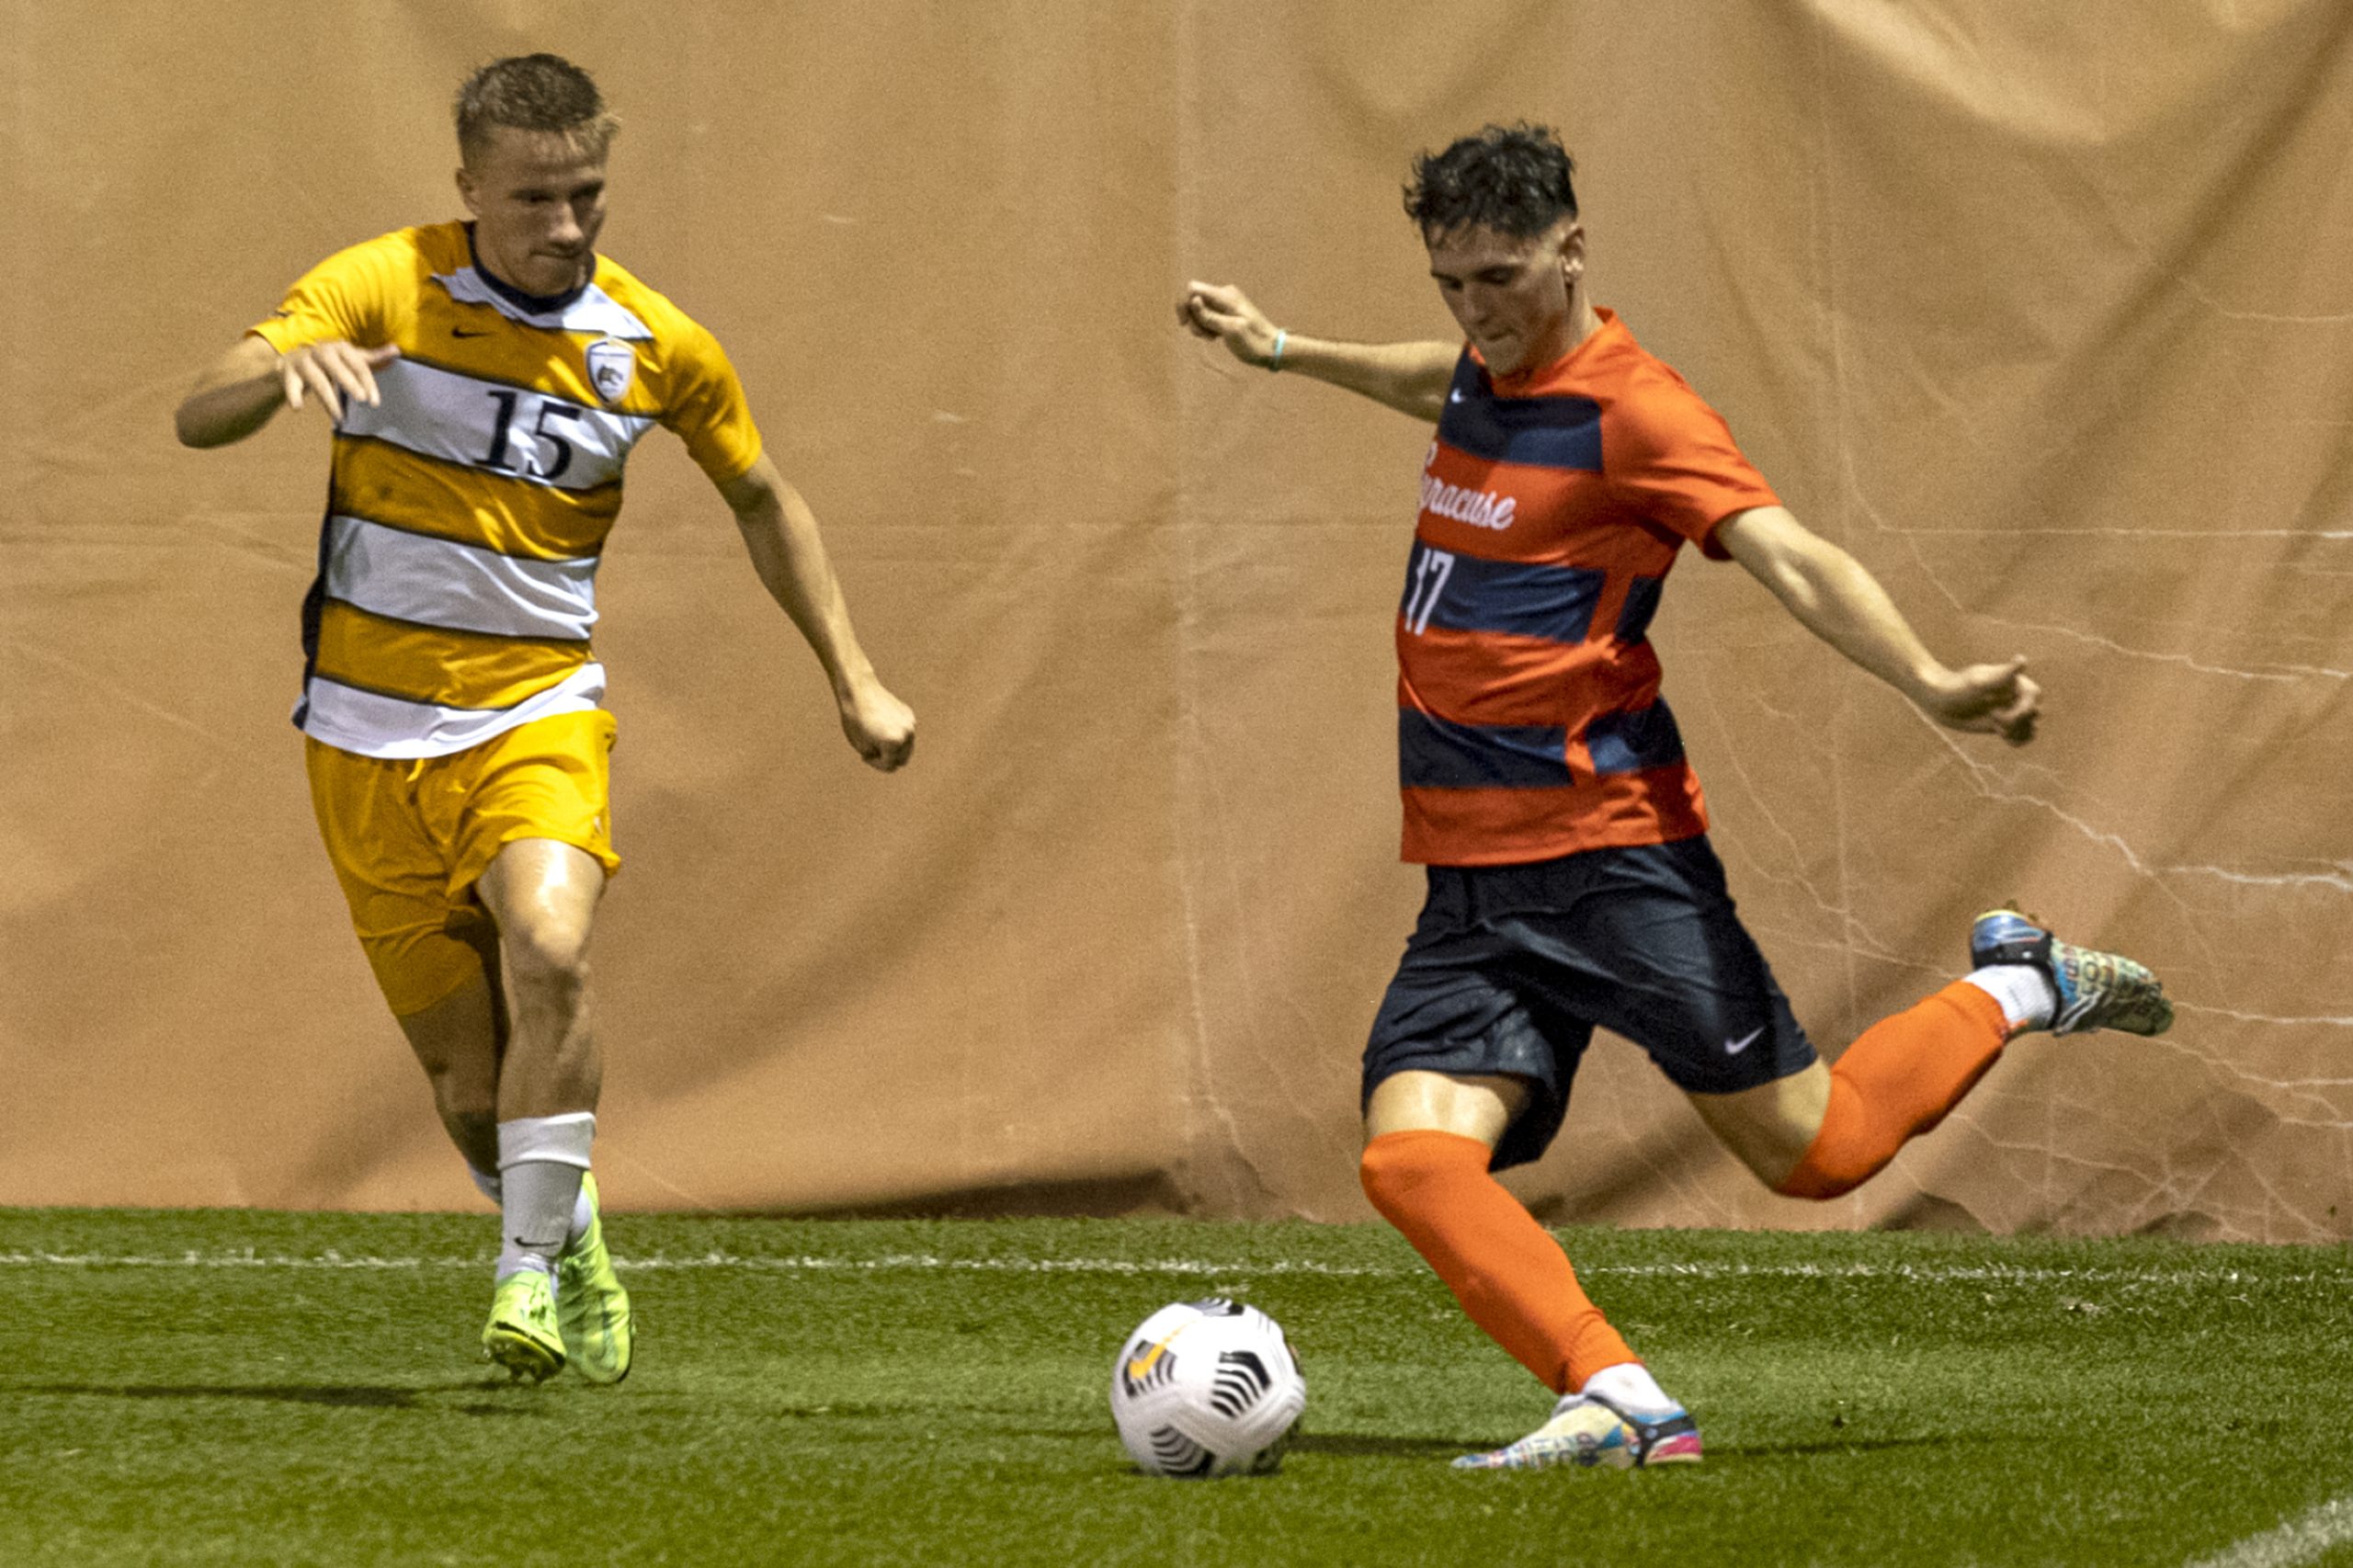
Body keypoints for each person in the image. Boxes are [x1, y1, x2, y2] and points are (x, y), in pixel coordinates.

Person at [1177, 123, 2170, 1470]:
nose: (1477, 310)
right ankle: (1622, 1399)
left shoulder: (1640, 412)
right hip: (1472, 882)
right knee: (1410, 1161)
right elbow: (1448, 384)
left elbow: (1791, 556)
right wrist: (1288, 350)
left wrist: (1933, 681)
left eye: (1502, 277)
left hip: (1610, 858)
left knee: (1815, 1156)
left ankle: (2017, 981)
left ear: (1573, 246)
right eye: (1452, 280)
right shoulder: (1486, 366)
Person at [175, 54, 916, 1385]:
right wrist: (291, 372)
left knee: (553, 941)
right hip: (363, 733)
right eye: (532, 198)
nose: (565, 225)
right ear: (469, 190)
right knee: (468, 1090)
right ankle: (565, 1228)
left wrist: (853, 674)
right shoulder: (384, 284)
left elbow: (765, 499)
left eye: (586, 195)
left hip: (536, 709)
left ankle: (520, 1277)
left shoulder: (657, 344)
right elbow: (200, 409)